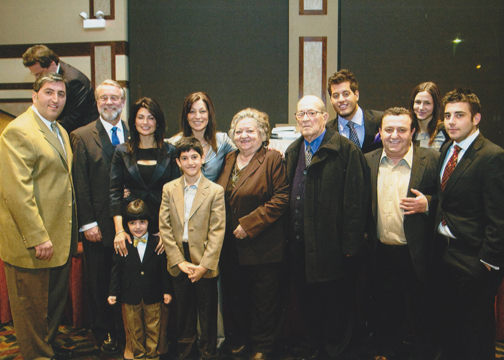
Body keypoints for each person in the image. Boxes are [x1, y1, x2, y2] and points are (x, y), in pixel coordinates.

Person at [284, 95, 368, 359]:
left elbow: (356, 202)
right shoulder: (293, 151)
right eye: (301, 114)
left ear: (324, 116)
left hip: (334, 250)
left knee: (336, 308)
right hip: (299, 248)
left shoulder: (346, 150)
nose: (306, 119)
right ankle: (319, 349)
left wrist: (351, 246)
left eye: (312, 113)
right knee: (310, 306)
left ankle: (337, 353)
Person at [0, 73, 77, 360]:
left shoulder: (59, 130)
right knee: (31, 309)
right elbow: (17, 192)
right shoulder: (18, 131)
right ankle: (37, 355)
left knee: (51, 305)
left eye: (61, 94)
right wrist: (37, 236)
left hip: (59, 238)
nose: (55, 99)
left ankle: (46, 347)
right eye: (49, 92)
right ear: (34, 96)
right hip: (33, 242)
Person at [434, 88, 504, 360]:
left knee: (476, 335)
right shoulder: (446, 150)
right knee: (451, 331)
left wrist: (487, 262)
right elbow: (447, 197)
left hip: (474, 260)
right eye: (448, 115)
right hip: (444, 253)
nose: (451, 121)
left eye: (459, 115)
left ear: (476, 118)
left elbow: (499, 217)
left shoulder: (492, 155)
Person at [365, 107, 439, 358]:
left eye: (401, 130)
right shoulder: (368, 161)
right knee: (386, 311)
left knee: (423, 313)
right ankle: (388, 352)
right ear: (380, 132)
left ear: (413, 132)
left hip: (417, 253)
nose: (394, 135)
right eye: (388, 130)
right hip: (381, 252)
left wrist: (428, 203)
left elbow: (452, 199)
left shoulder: (432, 159)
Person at [216, 108, 289, 360]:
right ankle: (242, 341)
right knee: (237, 297)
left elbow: (282, 198)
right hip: (231, 246)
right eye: (239, 131)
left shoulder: (272, 159)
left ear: (263, 134)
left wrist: (249, 224)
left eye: (250, 131)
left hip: (262, 243)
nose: (244, 135)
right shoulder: (229, 159)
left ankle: (263, 346)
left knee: (264, 300)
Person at [70, 79, 128, 354]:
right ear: (96, 102)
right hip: (99, 227)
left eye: (114, 98)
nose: (109, 103)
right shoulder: (82, 136)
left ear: (122, 102)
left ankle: (125, 331)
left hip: (130, 225)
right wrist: (88, 223)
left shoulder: (135, 132)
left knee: (127, 280)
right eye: (103, 98)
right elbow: (80, 184)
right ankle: (104, 332)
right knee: (101, 281)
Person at [160, 137, 226, 360]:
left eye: (194, 157)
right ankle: (186, 354)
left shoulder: (215, 191)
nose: (190, 162)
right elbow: (165, 227)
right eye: (185, 158)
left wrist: (205, 265)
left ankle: (208, 354)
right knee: (184, 313)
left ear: (202, 158)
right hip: (180, 259)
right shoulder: (169, 189)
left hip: (204, 260)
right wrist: (178, 260)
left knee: (207, 313)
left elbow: (217, 231)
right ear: (178, 162)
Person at [110, 97, 179, 256]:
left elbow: (176, 195)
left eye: (151, 117)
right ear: (134, 121)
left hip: (161, 227)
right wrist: (119, 230)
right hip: (132, 225)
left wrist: (166, 231)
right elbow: (114, 192)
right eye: (140, 117)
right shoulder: (122, 152)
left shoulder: (170, 151)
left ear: (158, 122)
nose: (145, 122)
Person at [108, 199, 172, 360]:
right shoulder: (122, 245)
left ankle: (152, 355)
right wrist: (113, 293)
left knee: (153, 327)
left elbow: (163, 271)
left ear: (149, 222)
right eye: (132, 223)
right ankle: (139, 354)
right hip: (130, 296)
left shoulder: (157, 244)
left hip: (153, 295)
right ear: (126, 225)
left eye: (142, 222)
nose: (138, 227)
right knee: (134, 328)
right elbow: (116, 271)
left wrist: (166, 291)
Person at [22, 44, 99, 134]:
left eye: (40, 73)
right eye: (35, 74)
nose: (37, 78)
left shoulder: (74, 81)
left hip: (82, 134)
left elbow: (73, 119)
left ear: (52, 64)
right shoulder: (53, 74)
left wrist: (46, 132)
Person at [168, 91, 236, 181]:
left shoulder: (222, 141)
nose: (197, 116)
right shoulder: (174, 143)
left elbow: (244, 154)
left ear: (209, 114)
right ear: (186, 116)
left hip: (214, 194)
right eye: (192, 111)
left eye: (202, 111)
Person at [326, 69, 383, 153]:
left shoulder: (381, 120)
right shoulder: (327, 132)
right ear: (331, 100)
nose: (341, 99)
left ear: (356, 95)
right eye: (336, 96)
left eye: (346, 94)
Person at [409, 81, 448, 151]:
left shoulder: (445, 131)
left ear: (435, 105)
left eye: (427, 103)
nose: (421, 108)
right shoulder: (407, 132)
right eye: (418, 102)